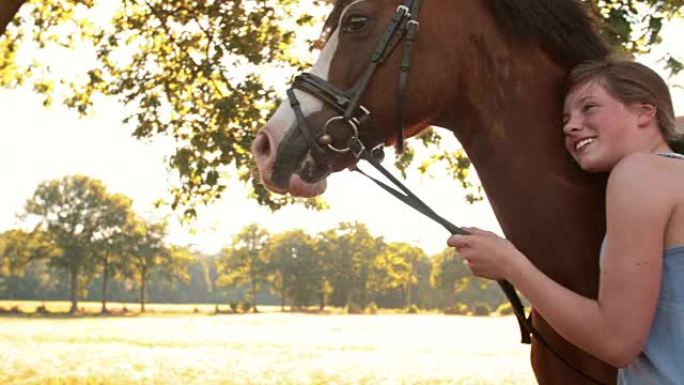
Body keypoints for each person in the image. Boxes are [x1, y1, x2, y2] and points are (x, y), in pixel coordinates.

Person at [447, 59, 684, 384]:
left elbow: (617, 342)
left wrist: (509, 264)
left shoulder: (639, 173)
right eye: (565, 118)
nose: (571, 126)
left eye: (589, 107)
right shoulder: (673, 175)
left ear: (645, 112)